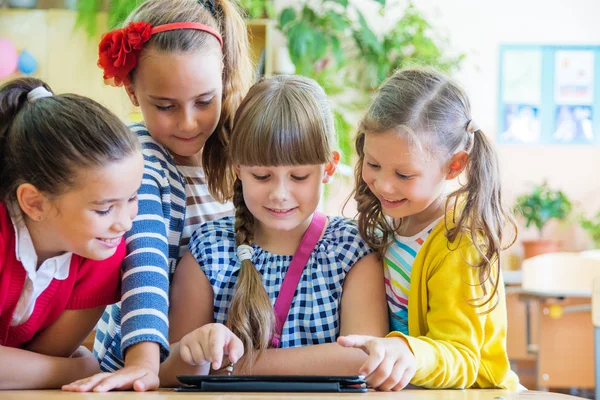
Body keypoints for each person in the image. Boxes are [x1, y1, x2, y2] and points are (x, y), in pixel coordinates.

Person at [63, 0, 253, 392]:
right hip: (150, 360)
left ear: (224, 79)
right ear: (132, 92)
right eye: (165, 106)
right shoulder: (139, 158)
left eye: (204, 101)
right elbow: (144, 258)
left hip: (225, 359)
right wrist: (145, 362)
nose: (187, 122)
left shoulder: (246, 153)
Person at [158, 75, 388, 385]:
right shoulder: (208, 249)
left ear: (329, 168)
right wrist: (195, 347)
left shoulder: (351, 250)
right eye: (263, 176)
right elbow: (171, 370)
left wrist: (234, 366)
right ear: (238, 168)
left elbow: (363, 358)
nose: (280, 194)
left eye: (298, 176)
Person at [338, 67, 519, 391]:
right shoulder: (396, 220)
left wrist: (408, 353)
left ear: (454, 165)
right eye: (373, 164)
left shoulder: (459, 243)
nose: (383, 184)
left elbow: (463, 357)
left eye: (404, 175)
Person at [0, 77, 143, 389]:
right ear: (34, 202)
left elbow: (40, 368)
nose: (124, 223)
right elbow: (60, 370)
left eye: (132, 199)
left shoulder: (103, 251)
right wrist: (77, 369)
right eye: (104, 208)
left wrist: (60, 370)